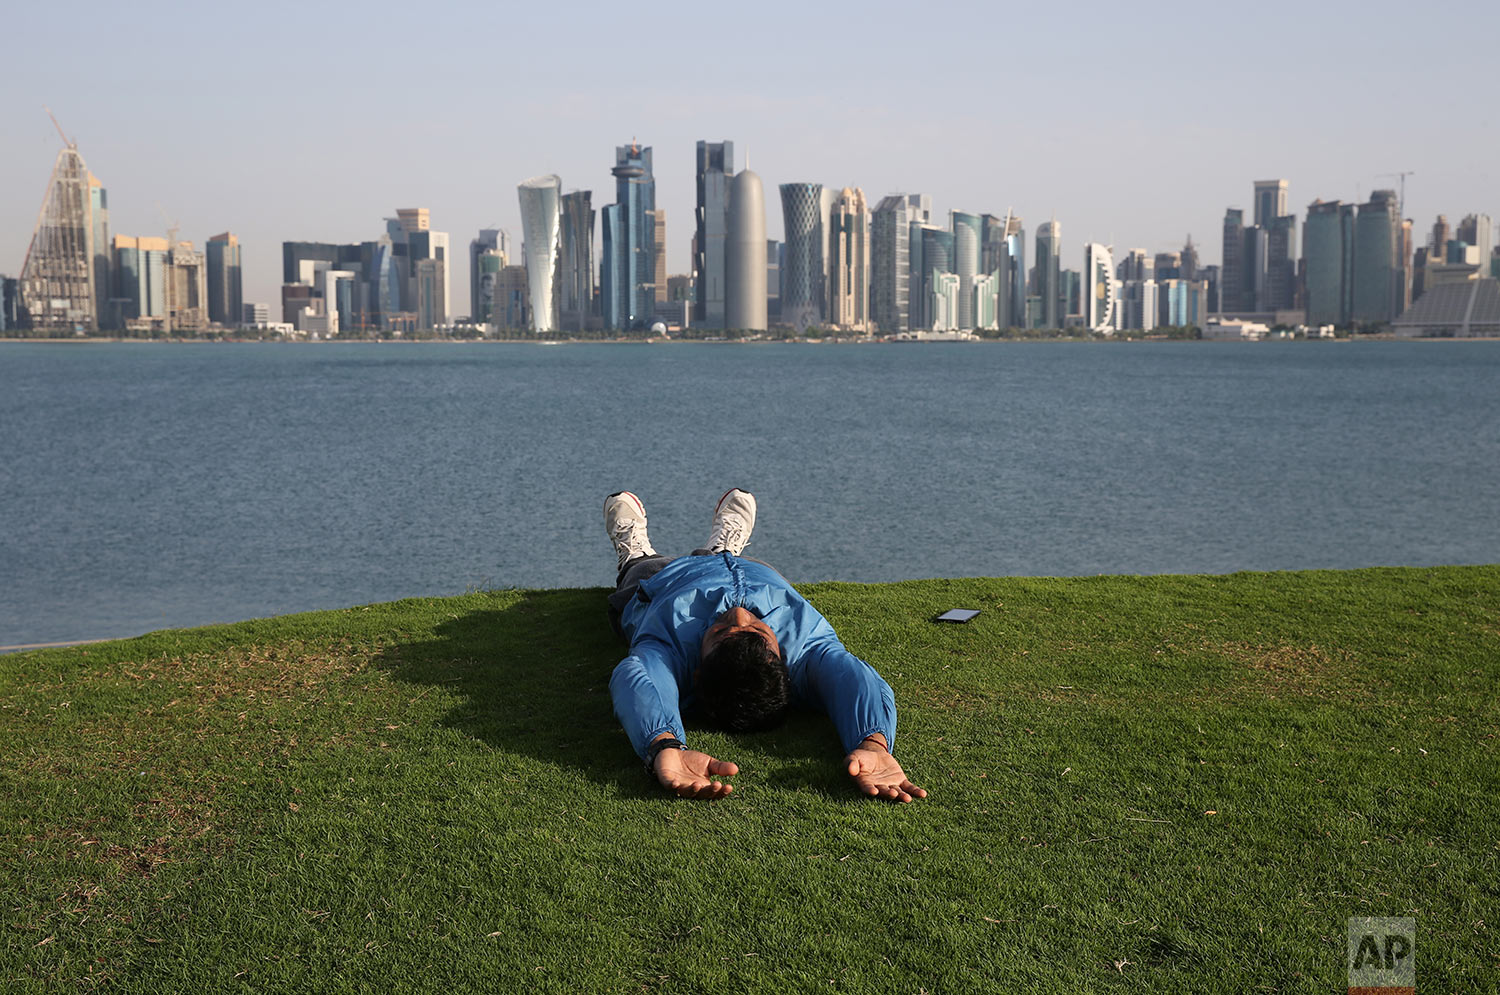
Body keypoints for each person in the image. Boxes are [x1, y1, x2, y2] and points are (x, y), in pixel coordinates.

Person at [604, 488, 927, 803]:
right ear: (782, 660)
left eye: (721, 632)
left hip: (664, 582)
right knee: (728, 559)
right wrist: (873, 743)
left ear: (697, 671)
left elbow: (639, 677)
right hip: (756, 573)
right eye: (758, 631)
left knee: (642, 570)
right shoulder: (806, 651)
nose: (740, 616)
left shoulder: (670, 649)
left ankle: (633, 551)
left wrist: (663, 744)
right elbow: (855, 680)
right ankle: (723, 548)